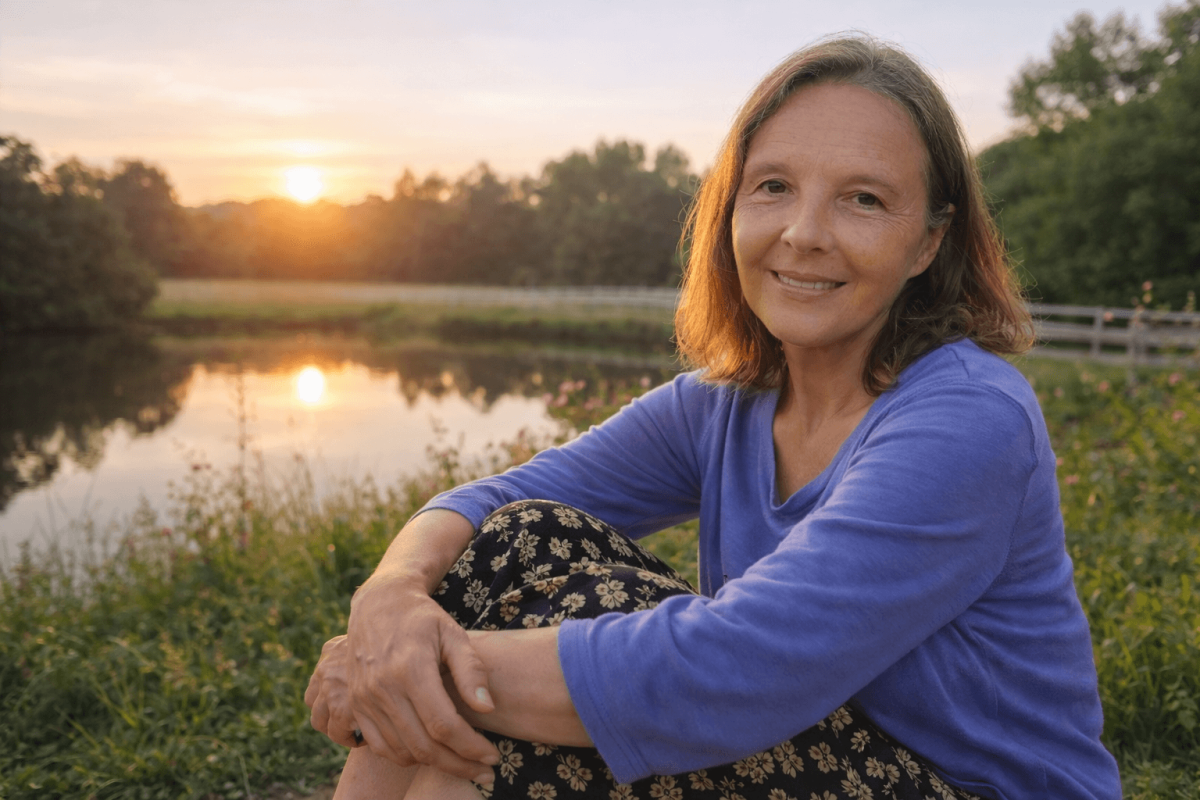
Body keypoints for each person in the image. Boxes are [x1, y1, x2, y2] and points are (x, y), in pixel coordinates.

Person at [305, 35, 1122, 800]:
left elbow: (737, 671)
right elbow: (492, 502)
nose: (804, 234)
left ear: (928, 245)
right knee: (520, 541)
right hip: (820, 745)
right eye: (773, 187)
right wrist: (389, 599)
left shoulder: (968, 419)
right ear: (731, 209)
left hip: (971, 786)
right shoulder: (727, 402)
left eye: (863, 200)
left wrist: (411, 674)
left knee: (510, 740)